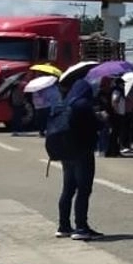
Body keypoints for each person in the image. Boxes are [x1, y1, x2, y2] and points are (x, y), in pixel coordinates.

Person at [56, 78, 103, 241]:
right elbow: (96, 126)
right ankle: (81, 227)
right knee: (84, 189)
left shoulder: (65, 103)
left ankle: (63, 226)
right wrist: (101, 118)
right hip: (82, 152)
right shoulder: (83, 105)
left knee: (68, 189)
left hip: (66, 152)